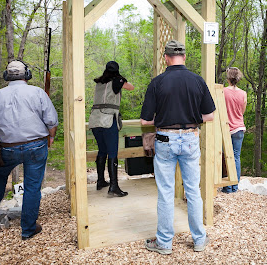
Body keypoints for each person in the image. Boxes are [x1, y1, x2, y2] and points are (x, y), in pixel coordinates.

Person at [140, 40, 215, 255]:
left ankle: (164, 243)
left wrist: (164, 117)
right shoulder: (197, 81)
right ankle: (199, 239)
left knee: (165, 192)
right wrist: (190, 116)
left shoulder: (157, 82)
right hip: (191, 138)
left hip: (165, 140)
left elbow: (145, 121)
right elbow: (209, 115)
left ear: (166, 57)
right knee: (193, 191)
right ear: (184, 56)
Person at [0, 60, 58, 240]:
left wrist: (5, 136)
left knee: (0, 174)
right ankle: (27, 229)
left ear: (7, 76)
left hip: (8, 148)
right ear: (27, 74)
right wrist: (51, 137)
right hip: (36, 145)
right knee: (32, 186)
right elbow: (52, 121)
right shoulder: (37, 92)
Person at [89, 61, 134, 197]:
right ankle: (113, 186)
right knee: (112, 152)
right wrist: (121, 79)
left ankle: (101, 181)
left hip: (95, 119)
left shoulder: (99, 82)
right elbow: (131, 87)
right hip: (108, 120)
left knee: (102, 151)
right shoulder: (117, 80)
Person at [222, 67, 247, 193]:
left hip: (226, 128)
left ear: (228, 78)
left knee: (226, 157)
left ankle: (227, 186)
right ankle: (235, 187)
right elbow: (242, 111)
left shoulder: (223, 91)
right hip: (239, 128)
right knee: (236, 157)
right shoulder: (243, 93)